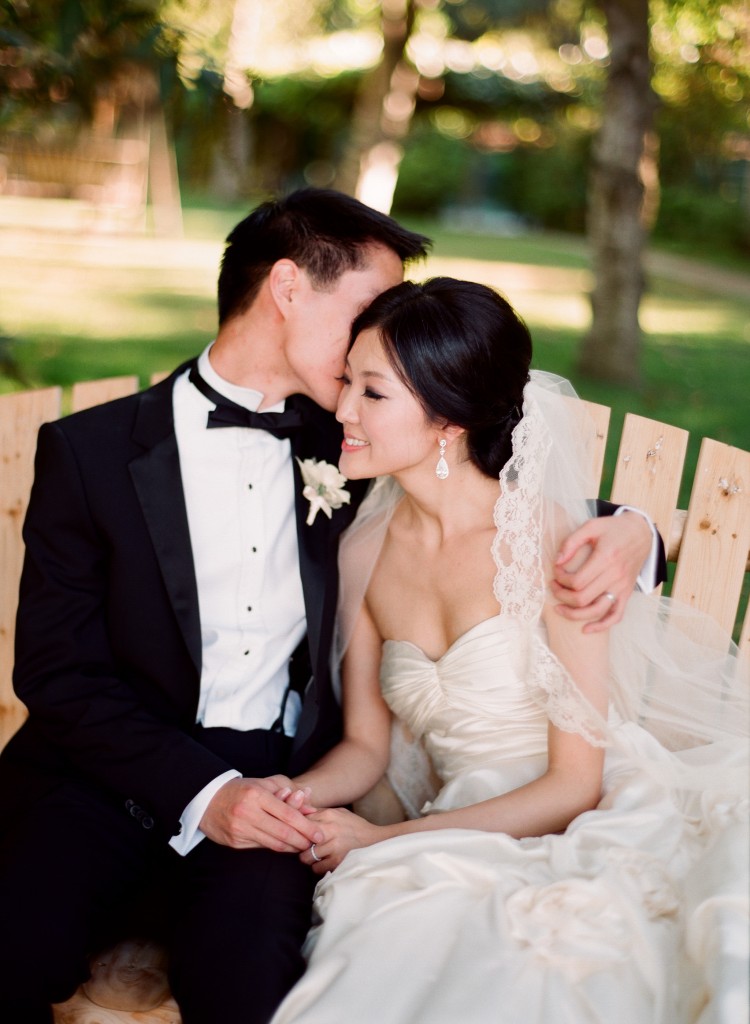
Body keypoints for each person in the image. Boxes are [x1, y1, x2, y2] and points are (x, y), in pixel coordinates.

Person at [0, 192, 659, 1024]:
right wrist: (207, 794)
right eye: (366, 307)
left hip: (285, 784)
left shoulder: (354, 443)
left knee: (252, 988)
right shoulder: (88, 453)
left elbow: (506, 499)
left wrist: (636, 532)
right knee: (12, 944)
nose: (372, 339)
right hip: (103, 775)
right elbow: (59, 675)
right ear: (288, 287)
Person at [269, 278, 749, 1024]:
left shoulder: (549, 543)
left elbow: (574, 784)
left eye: (373, 392)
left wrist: (387, 840)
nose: (342, 410)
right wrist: (289, 798)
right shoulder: (362, 548)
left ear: (448, 420)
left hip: (571, 814)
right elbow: (366, 746)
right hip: (452, 815)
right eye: (347, 383)